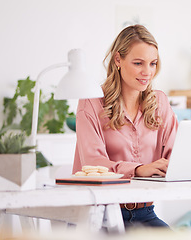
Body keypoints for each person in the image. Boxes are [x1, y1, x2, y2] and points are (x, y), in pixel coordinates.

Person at [72, 24, 178, 228]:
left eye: (153, 63)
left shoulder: (160, 102)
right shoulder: (91, 103)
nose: (148, 72)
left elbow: (176, 155)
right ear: (118, 60)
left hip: (144, 213)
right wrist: (138, 169)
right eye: (138, 63)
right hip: (98, 215)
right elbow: (92, 164)